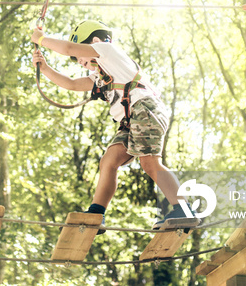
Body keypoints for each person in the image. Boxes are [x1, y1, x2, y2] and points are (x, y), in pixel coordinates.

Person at [30, 20, 193, 231]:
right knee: (109, 161)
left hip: (144, 109)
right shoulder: (101, 76)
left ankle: (184, 210)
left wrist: (40, 39)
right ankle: (96, 214)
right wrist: (44, 68)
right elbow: (71, 84)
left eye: (81, 57)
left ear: (95, 42)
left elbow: (68, 48)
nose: (80, 61)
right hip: (130, 121)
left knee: (149, 163)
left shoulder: (106, 50)